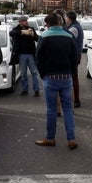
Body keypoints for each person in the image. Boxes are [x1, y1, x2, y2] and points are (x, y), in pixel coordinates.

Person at [35, 12, 78, 150]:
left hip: (50, 77)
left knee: (51, 110)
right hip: (66, 77)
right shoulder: (69, 36)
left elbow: (39, 59)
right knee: (68, 109)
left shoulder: (44, 37)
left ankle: (50, 138)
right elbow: (74, 58)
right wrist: (71, 73)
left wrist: (43, 74)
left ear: (48, 24)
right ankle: (71, 139)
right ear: (60, 23)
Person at [9, 15, 41, 96]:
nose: (26, 22)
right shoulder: (16, 29)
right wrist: (22, 32)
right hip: (21, 55)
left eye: (26, 20)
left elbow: (38, 39)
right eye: (24, 21)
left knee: (34, 72)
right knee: (23, 73)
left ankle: (36, 89)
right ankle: (25, 89)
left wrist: (33, 35)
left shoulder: (31, 28)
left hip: (31, 54)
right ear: (20, 22)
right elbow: (11, 33)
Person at [65, 10, 84, 108]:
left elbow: (66, 39)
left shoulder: (74, 29)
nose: (65, 19)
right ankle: (74, 99)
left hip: (73, 56)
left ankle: (76, 99)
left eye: (66, 18)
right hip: (76, 55)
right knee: (73, 77)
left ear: (70, 19)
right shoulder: (76, 26)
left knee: (73, 78)